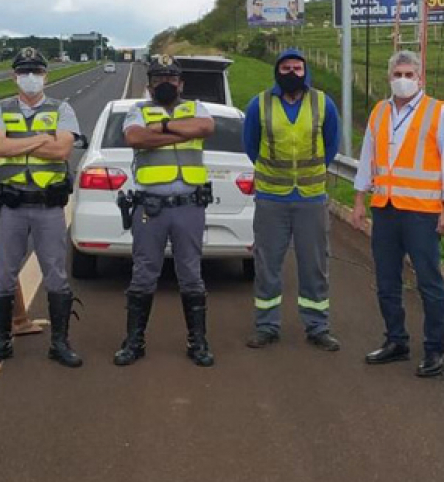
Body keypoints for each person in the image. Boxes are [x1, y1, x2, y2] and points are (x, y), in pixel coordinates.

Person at [350, 50, 444, 377]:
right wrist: (359, 201)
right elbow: (366, 158)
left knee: (429, 282)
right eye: (397, 74)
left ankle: (434, 349)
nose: (403, 80)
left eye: (409, 74)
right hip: (385, 209)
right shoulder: (379, 112)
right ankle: (395, 340)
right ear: (389, 78)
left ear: (420, 78)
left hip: (422, 212)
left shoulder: (438, 113)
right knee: (386, 280)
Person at [0, 47, 82, 368]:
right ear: (14, 76)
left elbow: (62, 150)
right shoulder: (0, 108)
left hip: (48, 206)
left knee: (56, 275)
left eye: (36, 71)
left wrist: (19, 142)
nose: (31, 77)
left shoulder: (62, 109)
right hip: (11, 205)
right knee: (5, 276)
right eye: (25, 72)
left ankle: (60, 343)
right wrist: (40, 139)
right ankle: (1, 342)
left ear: (46, 75)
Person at [115, 55, 217, 368]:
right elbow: (135, 137)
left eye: (171, 79)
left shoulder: (196, 107)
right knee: (144, 273)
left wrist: (160, 128)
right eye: (159, 79)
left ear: (181, 83)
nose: (165, 84)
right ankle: (134, 342)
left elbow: (206, 127)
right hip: (151, 208)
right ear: (149, 85)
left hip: (188, 207)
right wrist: (180, 131)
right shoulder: (137, 111)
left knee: (191, 275)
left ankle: (197, 342)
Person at [242, 48, 342, 351]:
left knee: (314, 265)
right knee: (267, 264)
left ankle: (317, 326)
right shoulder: (258, 104)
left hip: (311, 198)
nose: (291, 73)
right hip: (271, 198)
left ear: (305, 71)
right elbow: (250, 145)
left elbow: (331, 144)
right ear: (277, 72)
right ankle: (267, 326)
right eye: (285, 68)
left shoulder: (323, 103)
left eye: (297, 68)